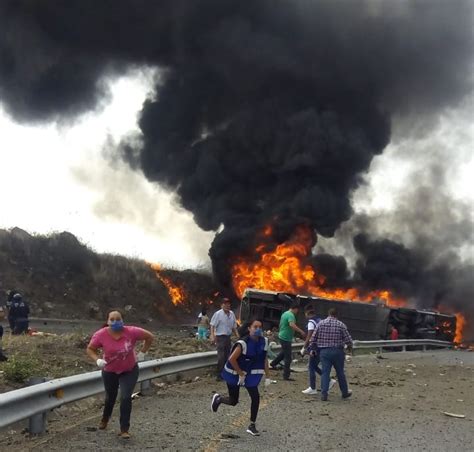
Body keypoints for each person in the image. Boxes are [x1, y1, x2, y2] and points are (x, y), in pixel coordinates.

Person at [86, 309, 154, 439]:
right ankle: (105, 419)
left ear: (122, 320)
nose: (115, 322)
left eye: (118, 319)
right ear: (107, 321)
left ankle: (124, 429)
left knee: (126, 397)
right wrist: (97, 360)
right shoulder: (101, 335)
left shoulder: (132, 332)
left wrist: (143, 352)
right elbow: (90, 349)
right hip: (110, 371)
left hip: (129, 369)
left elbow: (149, 337)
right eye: (112, 319)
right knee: (110, 397)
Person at [211, 319, 271, 436]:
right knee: (233, 401)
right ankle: (219, 399)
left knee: (256, 397)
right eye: (255, 327)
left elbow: (264, 359)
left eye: (260, 327)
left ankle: (252, 425)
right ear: (249, 328)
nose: (258, 329)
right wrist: (240, 373)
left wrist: (268, 376)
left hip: (249, 375)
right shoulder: (243, 343)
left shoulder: (264, 342)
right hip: (234, 373)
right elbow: (232, 359)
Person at [309, 308, 353, 401]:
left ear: (328, 314)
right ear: (336, 315)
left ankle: (324, 394)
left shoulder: (321, 323)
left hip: (324, 352)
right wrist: (349, 348)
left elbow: (313, 339)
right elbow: (348, 340)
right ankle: (344, 393)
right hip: (338, 352)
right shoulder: (341, 325)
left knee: (325, 372)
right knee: (340, 372)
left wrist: (313, 349)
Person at [300, 307, 336, 395]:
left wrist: (304, 348)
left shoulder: (311, 322)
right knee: (314, 366)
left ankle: (312, 388)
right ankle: (329, 380)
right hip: (323, 346)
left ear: (307, 313)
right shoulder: (320, 320)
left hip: (315, 347)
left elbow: (309, 336)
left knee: (311, 366)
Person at [269, 299, 306, 381]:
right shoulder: (291, 315)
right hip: (285, 338)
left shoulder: (285, 313)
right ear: (295, 308)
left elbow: (281, 324)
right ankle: (286, 376)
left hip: (283, 336)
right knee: (288, 357)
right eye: (297, 310)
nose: (297, 312)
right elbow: (291, 324)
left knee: (283, 352)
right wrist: (301, 331)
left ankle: (273, 363)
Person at [209, 298, 239, 381]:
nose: (227, 305)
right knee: (221, 357)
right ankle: (219, 375)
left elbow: (234, 326)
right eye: (225, 304)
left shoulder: (232, 314)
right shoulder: (218, 314)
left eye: (228, 304)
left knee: (228, 356)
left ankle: (226, 374)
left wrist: (237, 335)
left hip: (228, 337)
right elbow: (212, 326)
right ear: (221, 305)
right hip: (220, 337)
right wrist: (212, 336)